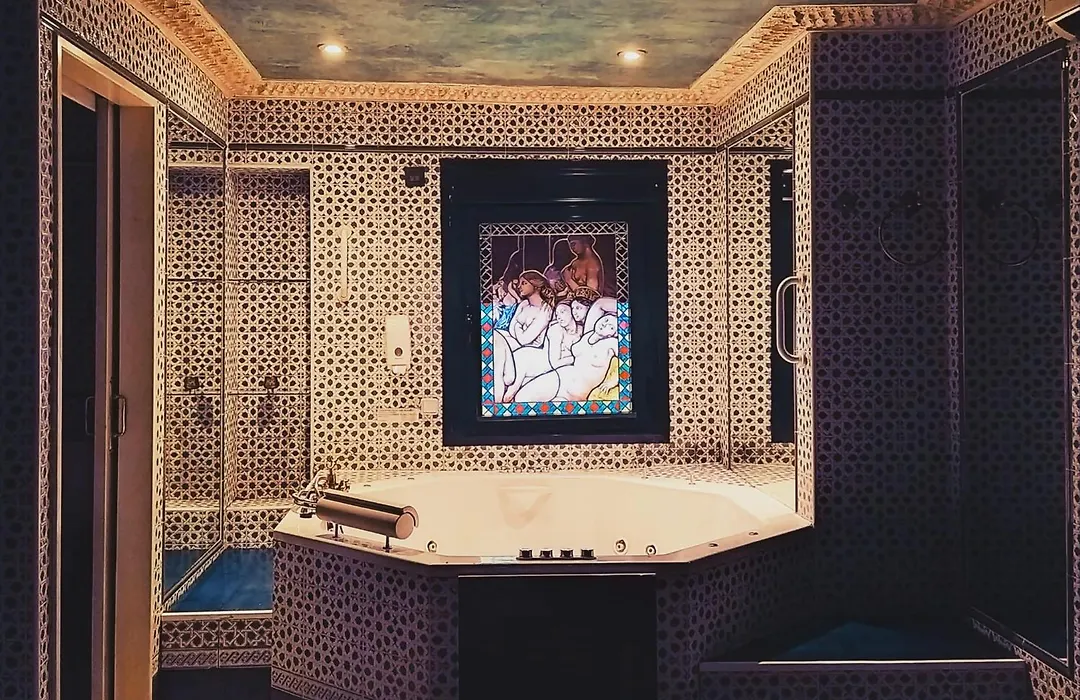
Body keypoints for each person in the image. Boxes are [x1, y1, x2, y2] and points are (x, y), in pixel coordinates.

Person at [514, 313, 620, 403]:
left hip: (577, 392)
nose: (605, 324)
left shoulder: (612, 343)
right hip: (562, 378)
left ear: (613, 334)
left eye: (611, 326)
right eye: (606, 319)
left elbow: (627, 362)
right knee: (521, 399)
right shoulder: (588, 335)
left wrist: (613, 382)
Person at [501, 302, 581, 403]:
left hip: (542, 366)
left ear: (571, 311)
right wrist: (575, 357)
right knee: (510, 393)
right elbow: (555, 363)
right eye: (557, 314)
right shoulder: (556, 330)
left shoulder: (581, 330)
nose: (559, 317)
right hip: (529, 361)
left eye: (562, 312)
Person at [496, 271, 555, 350]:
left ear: (536, 286)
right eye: (519, 283)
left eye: (524, 283)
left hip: (530, 349)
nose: (519, 286)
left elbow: (524, 340)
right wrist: (519, 328)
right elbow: (511, 330)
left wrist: (518, 323)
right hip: (515, 342)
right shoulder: (524, 304)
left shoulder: (545, 310)